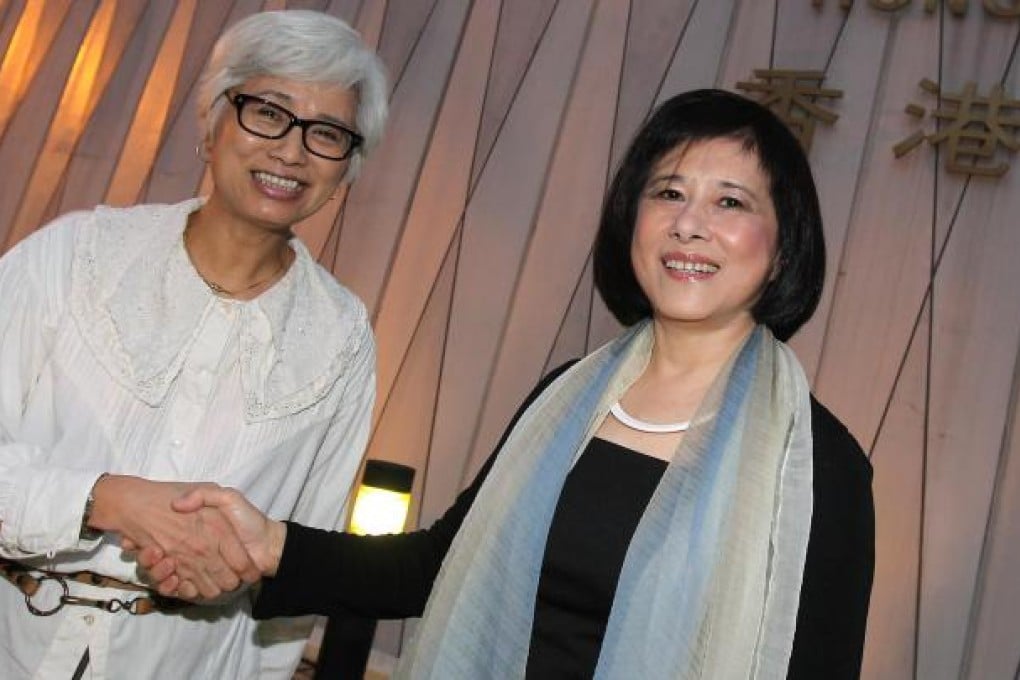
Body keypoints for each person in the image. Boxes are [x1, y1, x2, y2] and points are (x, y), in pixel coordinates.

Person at [145, 89, 874, 679]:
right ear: (633, 220)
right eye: (669, 193)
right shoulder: (570, 399)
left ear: (782, 251)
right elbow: (436, 566)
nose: (689, 225)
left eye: (731, 203)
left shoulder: (818, 463)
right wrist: (269, 542)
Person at [0, 10, 387, 679]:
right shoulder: (72, 256)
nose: (291, 151)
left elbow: (304, 564)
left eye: (326, 133)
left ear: (346, 169)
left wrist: (236, 574)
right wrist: (105, 498)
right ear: (211, 122)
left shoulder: (342, 341)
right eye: (268, 112)